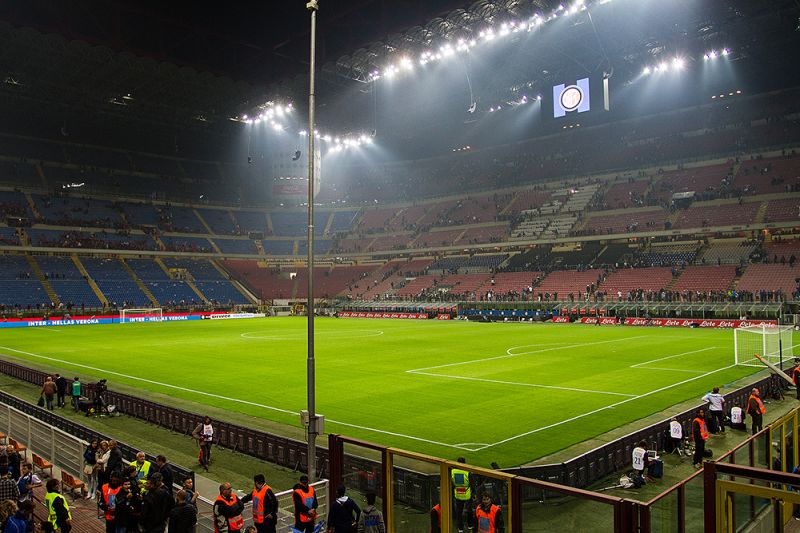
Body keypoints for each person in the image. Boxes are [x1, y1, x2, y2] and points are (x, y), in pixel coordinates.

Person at [452, 457, 473, 533]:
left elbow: (452, 482)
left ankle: (460, 528)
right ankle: (470, 526)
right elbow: (472, 483)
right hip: (467, 494)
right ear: (464, 463)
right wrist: (473, 493)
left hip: (458, 493)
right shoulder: (467, 471)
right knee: (469, 511)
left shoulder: (453, 471)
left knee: (459, 512)